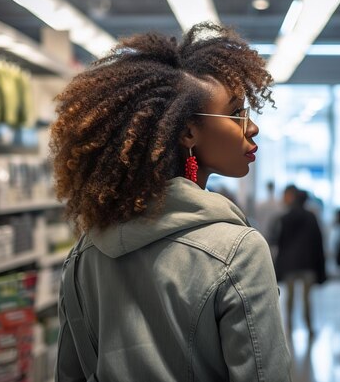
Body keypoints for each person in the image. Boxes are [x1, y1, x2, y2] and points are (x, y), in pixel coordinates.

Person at [51, 22, 292, 382]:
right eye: (236, 113)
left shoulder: (85, 254)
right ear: (188, 132)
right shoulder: (238, 252)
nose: (251, 127)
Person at [273, 185, 326, 337]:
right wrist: (321, 268)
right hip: (308, 264)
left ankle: (288, 328)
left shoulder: (285, 218)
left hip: (290, 265)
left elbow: (280, 244)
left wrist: (279, 267)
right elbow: (318, 243)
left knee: (289, 299)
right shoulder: (311, 217)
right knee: (307, 299)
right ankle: (309, 328)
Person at [253, 180, 283, 258]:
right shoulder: (278, 204)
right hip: (273, 235)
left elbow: (257, 218)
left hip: (264, 232)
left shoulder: (261, 204)